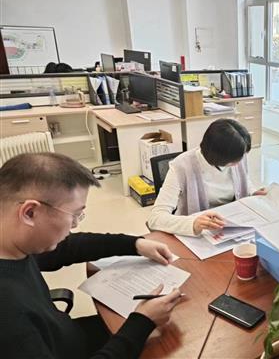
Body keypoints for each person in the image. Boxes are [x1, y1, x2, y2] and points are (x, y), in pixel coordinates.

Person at [0, 153, 184, 358]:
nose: (75, 225)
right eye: (74, 215)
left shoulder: (14, 243)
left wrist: (135, 244)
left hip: (63, 336)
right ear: (30, 213)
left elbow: (68, 247)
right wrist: (143, 321)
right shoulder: (9, 317)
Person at [148, 118, 266, 236]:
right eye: (233, 161)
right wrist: (193, 224)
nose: (238, 164)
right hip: (200, 234)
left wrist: (252, 192)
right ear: (217, 157)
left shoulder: (238, 156)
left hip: (233, 226)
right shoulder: (181, 167)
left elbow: (244, 180)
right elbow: (156, 218)